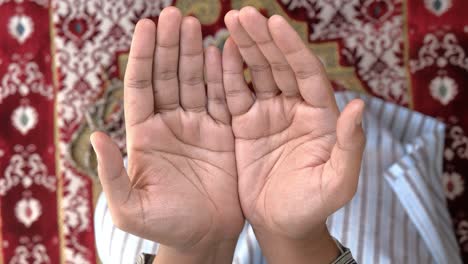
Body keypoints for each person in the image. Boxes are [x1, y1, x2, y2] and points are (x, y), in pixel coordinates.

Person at [91, 6, 458, 264]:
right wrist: (293, 236)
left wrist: (197, 248)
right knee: (360, 181)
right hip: (315, 215)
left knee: (139, 215)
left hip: (188, 202)